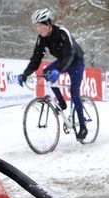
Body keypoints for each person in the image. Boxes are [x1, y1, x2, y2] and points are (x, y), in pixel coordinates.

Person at [17, 8, 87, 140]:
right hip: (63, 61)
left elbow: (70, 55)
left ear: (48, 24)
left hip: (75, 61)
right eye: (36, 26)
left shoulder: (62, 33)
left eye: (40, 25)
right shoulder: (41, 38)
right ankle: (61, 103)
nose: (38, 29)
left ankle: (82, 126)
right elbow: (36, 59)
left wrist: (58, 70)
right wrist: (25, 74)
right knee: (46, 72)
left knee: (74, 92)